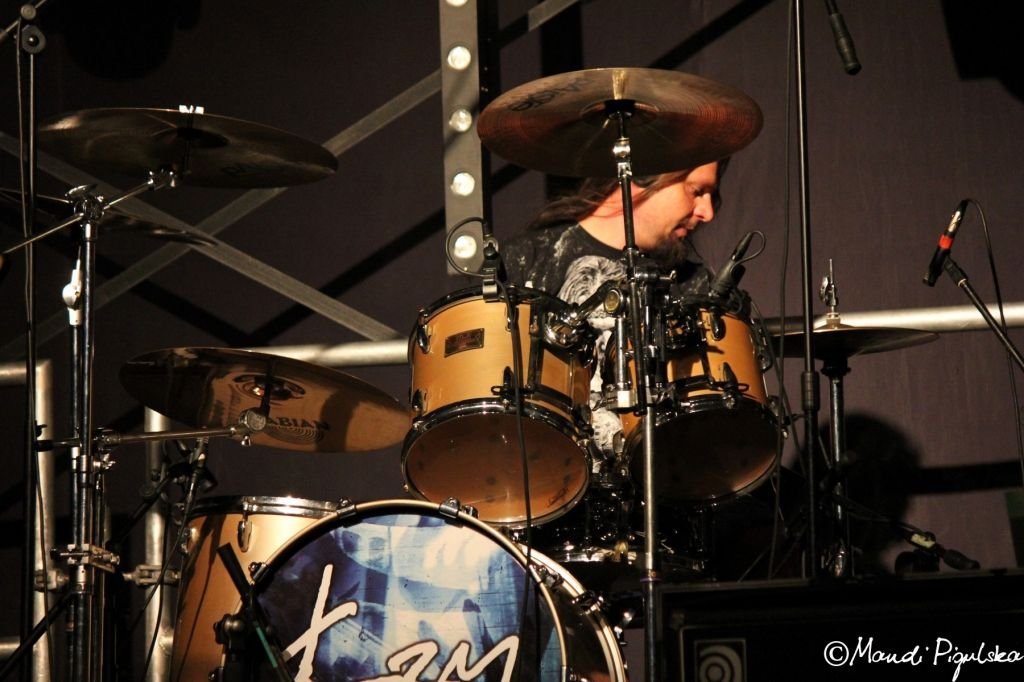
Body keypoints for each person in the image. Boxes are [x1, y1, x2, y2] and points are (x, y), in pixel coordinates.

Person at [500, 160, 730, 457]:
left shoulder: (693, 285)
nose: (707, 212)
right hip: (541, 471)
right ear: (643, 176)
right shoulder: (523, 262)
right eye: (697, 191)